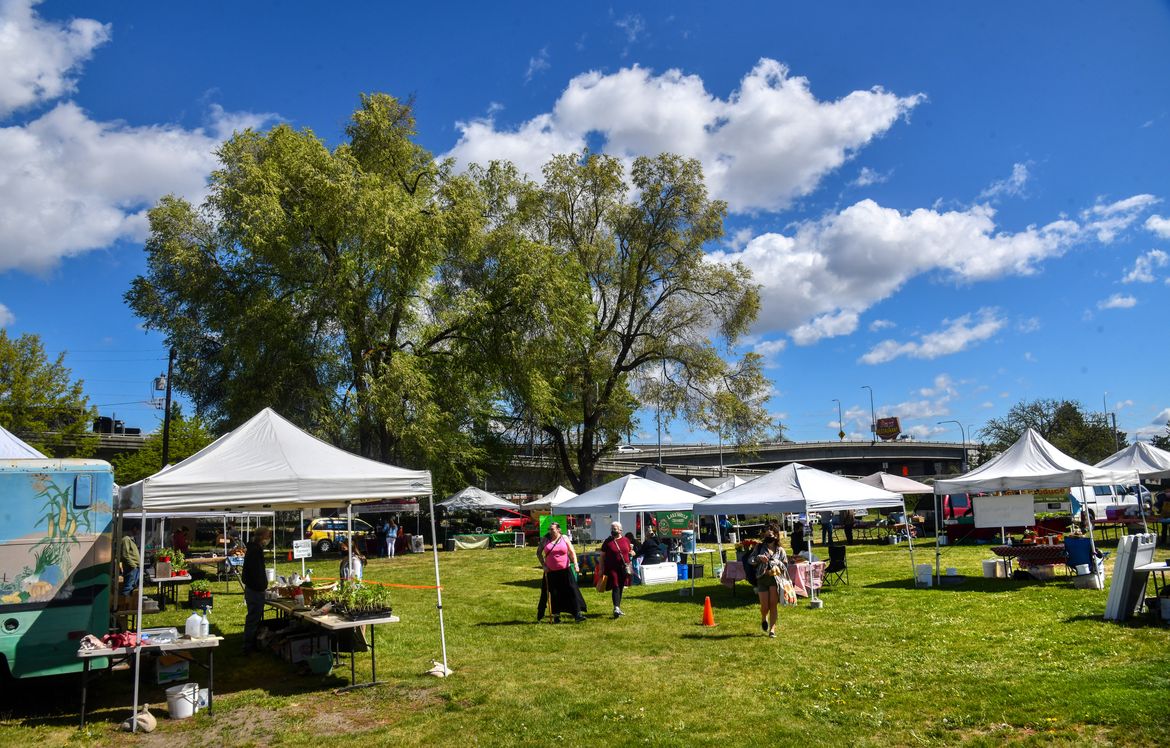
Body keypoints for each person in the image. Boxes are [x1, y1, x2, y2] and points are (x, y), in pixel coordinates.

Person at [540, 522, 585, 623]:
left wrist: (576, 564)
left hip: (566, 569)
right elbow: (538, 553)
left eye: (552, 529)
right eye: (549, 529)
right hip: (551, 571)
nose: (550, 531)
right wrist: (544, 565)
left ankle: (577, 614)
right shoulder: (545, 539)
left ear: (558, 530)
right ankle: (556, 616)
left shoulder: (564, 538)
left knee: (572, 590)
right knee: (555, 593)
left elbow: (571, 551)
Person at [752, 522, 788, 638]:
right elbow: (750, 560)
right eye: (767, 535)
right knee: (764, 606)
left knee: (773, 605)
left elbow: (785, 565)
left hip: (775, 580)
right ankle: (764, 618)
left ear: (776, 536)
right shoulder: (759, 548)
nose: (769, 537)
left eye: (771, 535)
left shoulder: (780, 550)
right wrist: (758, 558)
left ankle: (772, 630)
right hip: (762, 579)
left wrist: (778, 565)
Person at [242, 527, 271, 654]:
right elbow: (255, 572)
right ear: (261, 537)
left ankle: (251, 643)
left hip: (254, 588)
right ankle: (249, 646)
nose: (268, 539)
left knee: (253, 618)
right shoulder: (255, 551)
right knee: (253, 619)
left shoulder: (254, 549)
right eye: (267, 536)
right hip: (255, 590)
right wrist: (261, 586)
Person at [601, 521, 633, 618]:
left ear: (620, 530)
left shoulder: (626, 540)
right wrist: (601, 569)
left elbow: (629, 551)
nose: (613, 530)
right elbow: (602, 556)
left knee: (621, 586)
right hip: (612, 568)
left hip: (624, 568)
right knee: (615, 585)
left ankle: (618, 607)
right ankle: (616, 608)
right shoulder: (608, 542)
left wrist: (632, 552)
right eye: (612, 528)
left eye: (614, 529)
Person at [120, 523, 141, 598]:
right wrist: (133, 566)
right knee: (128, 588)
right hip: (131, 569)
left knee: (132, 587)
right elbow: (125, 555)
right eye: (138, 530)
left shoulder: (132, 540)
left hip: (135, 568)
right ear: (135, 529)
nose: (139, 532)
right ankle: (125, 607)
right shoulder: (126, 539)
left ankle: (129, 605)